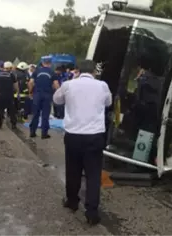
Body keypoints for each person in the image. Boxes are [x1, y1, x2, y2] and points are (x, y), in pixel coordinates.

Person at [53, 60, 111, 225]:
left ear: (77, 70)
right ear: (94, 71)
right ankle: (91, 212)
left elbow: (57, 100)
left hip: (74, 135)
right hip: (94, 136)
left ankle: (72, 202)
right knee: (93, 174)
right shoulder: (102, 86)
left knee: (73, 171)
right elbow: (109, 103)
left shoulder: (68, 85)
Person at [29, 56, 59, 139]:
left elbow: (31, 83)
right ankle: (44, 134)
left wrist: (30, 92)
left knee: (35, 114)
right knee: (45, 115)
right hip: (47, 95)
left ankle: (32, 132)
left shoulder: (36, 71)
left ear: (42, 63)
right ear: (50, 63)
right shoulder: (52, 72)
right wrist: (58, 93)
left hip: (37, 95)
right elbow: (56, 84)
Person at [0, 61, 18, 129]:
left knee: (0, 110)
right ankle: (13, 124)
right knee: (11, 110)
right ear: (10, 68)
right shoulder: (12, 75)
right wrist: (16, 91)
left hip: (0, 95)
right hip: (9, 95)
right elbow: (15, 85)